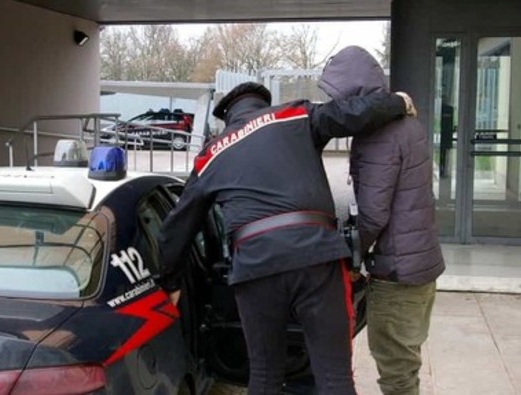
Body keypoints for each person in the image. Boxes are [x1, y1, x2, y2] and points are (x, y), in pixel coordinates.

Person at [155, 81, 416, 395]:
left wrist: (170, 283)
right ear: (264, 104)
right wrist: (397, 102)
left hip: (255, 268)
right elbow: (349, 113)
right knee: (335, 378)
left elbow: (176, 228)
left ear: (228, 117)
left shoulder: (211, 154)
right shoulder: (294, 115)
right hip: (317, 257)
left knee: (264, 377)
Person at [319, 46, 446, 395]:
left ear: (353, 92)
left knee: (396, 372)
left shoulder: (379, 134)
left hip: (398, 273)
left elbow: (374, 213)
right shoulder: (406, 122)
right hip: (421, 262)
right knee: (407, 359)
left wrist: (350, 256)